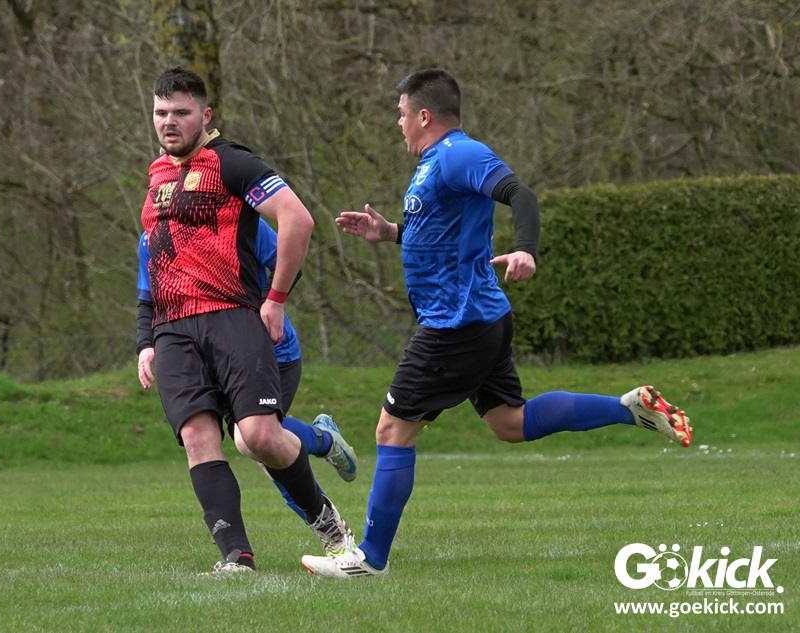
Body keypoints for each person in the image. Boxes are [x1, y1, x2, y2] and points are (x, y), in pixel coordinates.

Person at [300, 68, 693, 579]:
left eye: (401, 114)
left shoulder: (460, 153)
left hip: (455, 325)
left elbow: (520, 194)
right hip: (479, 317)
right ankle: (627, 409)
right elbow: (442, 233)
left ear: (424, 115)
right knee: (510, 422)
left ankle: (369, 559)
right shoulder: (434, 163)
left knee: (392, 429)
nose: (398, 123)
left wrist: (526, 249)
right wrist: (392, 232)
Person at [139, 66, 356, 573]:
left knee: (257, 437)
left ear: (205, 115)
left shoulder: (231, 162)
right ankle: (237, 558)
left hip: (232, 317)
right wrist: (145, 339)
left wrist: (275, 299)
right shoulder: (158, 175)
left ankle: (333, 530)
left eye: (181, 113)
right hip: (173, 329)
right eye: (161, 113)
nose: (169, 122)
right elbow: (150, 267)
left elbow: (298, 219)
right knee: (198, 439)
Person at [136, 221, 358, 522]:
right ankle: (327, 510)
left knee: (254, 441)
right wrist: (146, 345)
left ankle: (324, 456)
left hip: (272, 354)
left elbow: (289, 262)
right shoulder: (152, 237)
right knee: (258, 445)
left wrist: (263, 309)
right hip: (212, 361)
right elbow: (148, 300)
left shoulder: (238, 218)